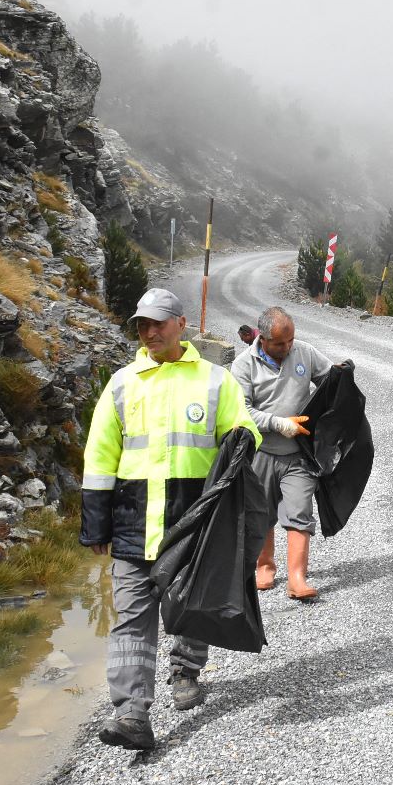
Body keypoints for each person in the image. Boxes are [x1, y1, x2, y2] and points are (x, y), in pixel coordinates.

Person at [80, 288, 262, 751]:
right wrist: (95, 524)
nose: (149, 331)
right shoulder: (122, 383)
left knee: (189, 603)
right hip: (132, 523)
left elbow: (245, 430)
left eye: (159, 322)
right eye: (142, 324)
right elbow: (100, 456)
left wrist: (245, 438)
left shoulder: (215, 381)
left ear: (182, 324)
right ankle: (131, 714)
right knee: (131, 620)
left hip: (191, 522)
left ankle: (185, 671)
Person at [230, 306, 335, 600]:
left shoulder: (304, 352)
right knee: (260, 514)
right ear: (262, 339)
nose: (287, 348)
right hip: (260, 453)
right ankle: (265, 567)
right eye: (279, 343)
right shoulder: (242, 366)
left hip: (299, 454)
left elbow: (330, 381)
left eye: (290, 341)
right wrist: (278, 424)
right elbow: (241, 411)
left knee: (300, 511)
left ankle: (297, 579)